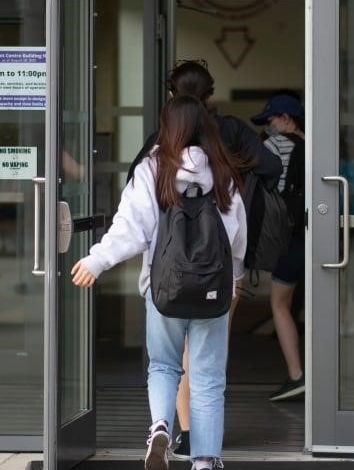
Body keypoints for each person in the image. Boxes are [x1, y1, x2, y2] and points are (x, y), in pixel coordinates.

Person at [72, 94, 247, 470]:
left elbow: (131, 228)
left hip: (164, 287)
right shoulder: (222, 171)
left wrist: (97, 260)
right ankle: (204, 461)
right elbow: (236, 233)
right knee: (208, 377)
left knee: (164, 366)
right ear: (205, 127)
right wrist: (235, 277)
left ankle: (161, 427)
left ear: (169, 128)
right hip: (213, 288)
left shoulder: (154, 168)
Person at [127, 60, 282, 459]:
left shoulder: (158, 146)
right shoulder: (229, 134)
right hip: (219, 266)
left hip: (167, 274)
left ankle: (181, 432)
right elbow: (271, 165)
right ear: (210, 93)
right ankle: (205, 453)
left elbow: (134, 202)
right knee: (208, 363)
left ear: (170, 95)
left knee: (169, 360)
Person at [250, 92, 306, 402]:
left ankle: (297, 375)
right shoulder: (317, 144)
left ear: (286, 118)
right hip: (315, 235)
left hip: (289, 238)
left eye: (271, 119)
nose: (269, 125)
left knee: (280, 304)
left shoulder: (274, 146)